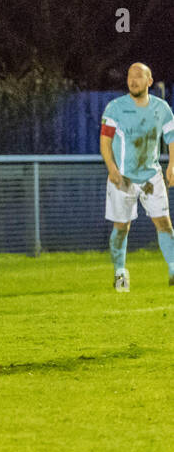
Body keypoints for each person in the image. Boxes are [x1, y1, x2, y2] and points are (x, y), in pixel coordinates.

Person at [99, 62, 174, 291]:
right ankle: (120, 273)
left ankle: (173, 268)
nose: (133, 80)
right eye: (130, 76)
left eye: (139, 76)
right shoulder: (115, 108)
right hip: (124, 179)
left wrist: (172, 165)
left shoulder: (162, 109)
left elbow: (171, 139)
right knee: (121, 227)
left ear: (149, 81)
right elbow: (105, 141)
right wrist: (111, 167)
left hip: (151, 177)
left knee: (164, 224)